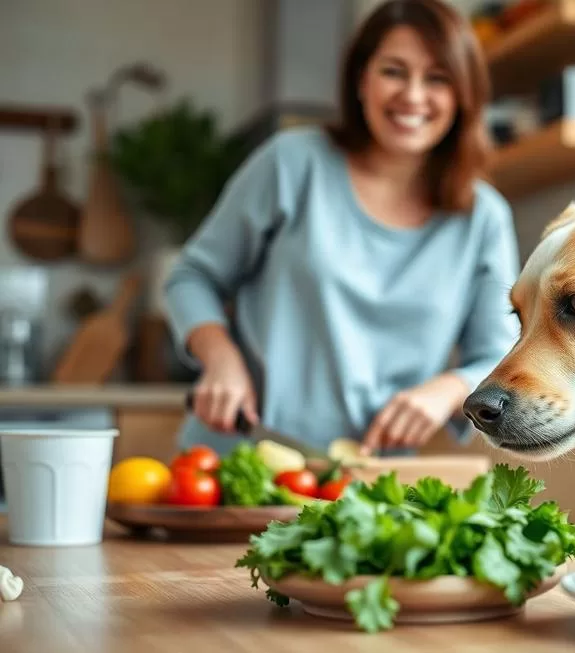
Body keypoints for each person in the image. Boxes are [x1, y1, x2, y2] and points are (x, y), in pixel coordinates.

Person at [164, 0, 520, 458]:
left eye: (437, 78)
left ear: (462, 95)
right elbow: (192, 277)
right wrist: (220, 359)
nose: (413, 95)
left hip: (368, 476)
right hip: (239, 455)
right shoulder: (292, 164)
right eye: (393, 71)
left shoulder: (483, 217)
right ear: (361, 80)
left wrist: (448, 389)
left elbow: (497, 353)